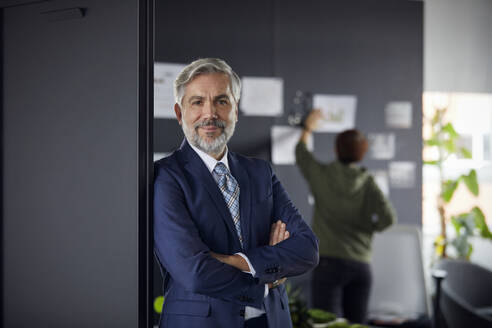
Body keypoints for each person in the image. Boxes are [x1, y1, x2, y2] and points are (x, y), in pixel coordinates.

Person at [154, 58, 319, 328]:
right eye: (197, 102)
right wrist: (265, 277)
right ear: (179, 112)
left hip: (272, 321)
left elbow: (307, 250)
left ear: (235, 110)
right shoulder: (166, 177)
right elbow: (194, 273)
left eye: (221, 101)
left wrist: (234, 262)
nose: (210, 113)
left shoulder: (261, 172)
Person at [295, 109, 396, 324]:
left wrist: (308, 128)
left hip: (328, 264)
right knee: (357, 324)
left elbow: (301, 152)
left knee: (326, 324)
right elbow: (389, 219)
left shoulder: (321, 175)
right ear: (362, 154)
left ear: (335, 149)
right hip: (361, 266)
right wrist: (369, 227)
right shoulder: (368, 183)